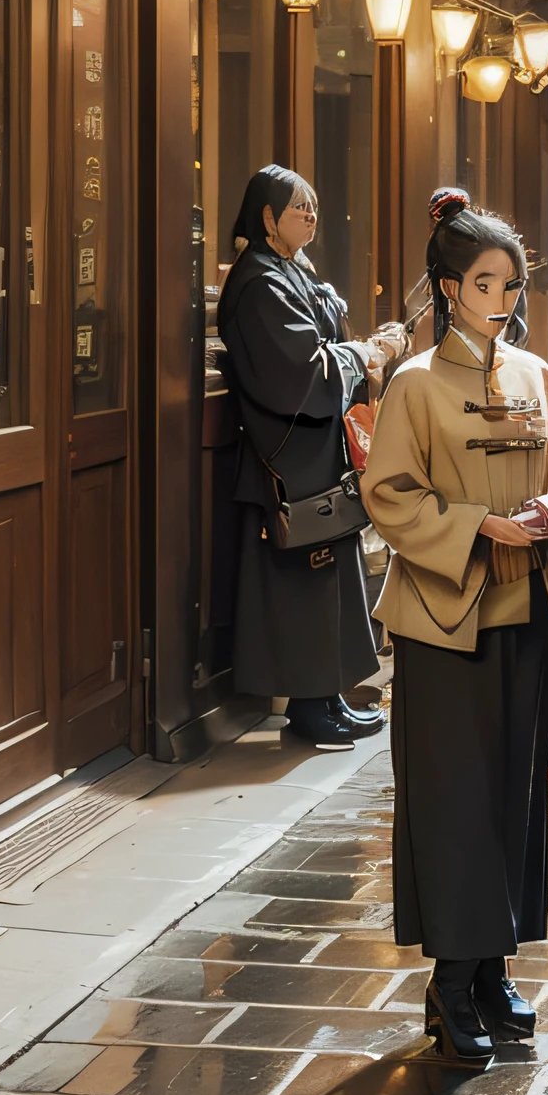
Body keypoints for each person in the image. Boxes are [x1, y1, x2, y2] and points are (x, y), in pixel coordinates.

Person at [363, 186, 548, 1069]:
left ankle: (495, 968)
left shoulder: (534, 377)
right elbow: (389, 495)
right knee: (454, 804)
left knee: (516, 799)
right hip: (446, 622)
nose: (506, 298)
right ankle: (450, 982)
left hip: (525, 615)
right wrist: (475, 526)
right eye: (489, 283)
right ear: (451, 288)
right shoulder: (414, 384)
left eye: (514, 283)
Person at [219, 167, 404, 747]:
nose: (311, 217)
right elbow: (304, 369)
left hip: (315, 454)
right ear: (267, 216)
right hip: (289, 459)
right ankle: (309, 708)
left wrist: (365, 349)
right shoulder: (259, 283)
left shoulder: (289, 271)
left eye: (315, 207)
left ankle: (327, 697)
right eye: (299, 208)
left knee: (328, 581)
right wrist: (368, 351)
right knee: (303, 586)